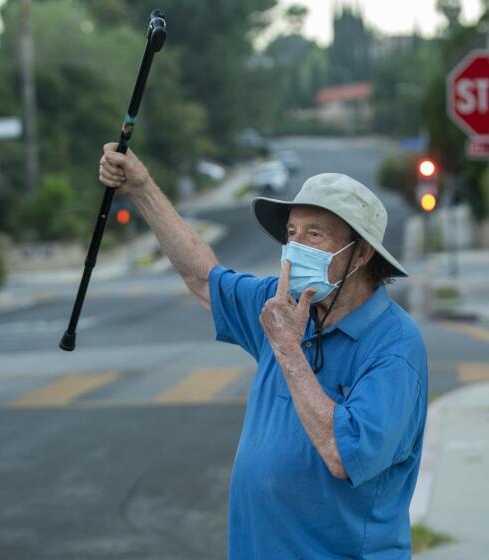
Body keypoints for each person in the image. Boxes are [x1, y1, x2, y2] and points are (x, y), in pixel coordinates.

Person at [99, 144, 428, 559]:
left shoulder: (394, 345)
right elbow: (204, 279)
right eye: (291, 233)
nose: (294, 248)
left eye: (314, 234)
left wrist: (289, 350)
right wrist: (142, 188)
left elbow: (345, 455)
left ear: (361, 254)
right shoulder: (282, 305)